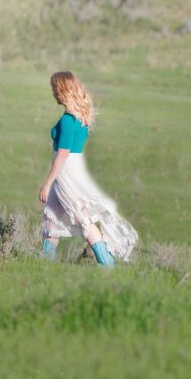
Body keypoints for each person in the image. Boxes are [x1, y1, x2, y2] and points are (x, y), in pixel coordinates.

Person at [38, 71, 138, 266]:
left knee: (80, 216)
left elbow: (63, 155)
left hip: (65, 172)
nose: (52, 93)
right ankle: (45, 261)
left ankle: (106, 261)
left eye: (54, 88)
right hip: (70, 169)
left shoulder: (68, 120)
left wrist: (47, 183)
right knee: (51, 217)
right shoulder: (80, 118)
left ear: (62, 90)